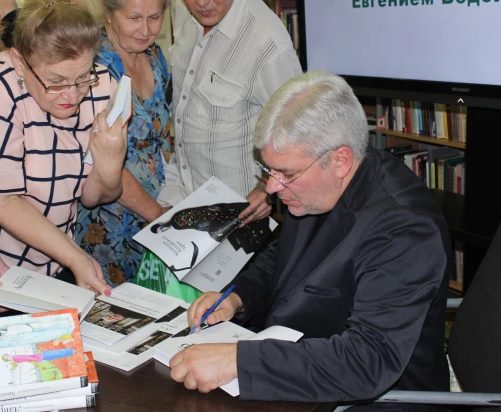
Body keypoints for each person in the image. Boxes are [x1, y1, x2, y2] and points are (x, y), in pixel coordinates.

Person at [170, 71, 452, 409]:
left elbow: (367, 360)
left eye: (286, 173)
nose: (271, 187)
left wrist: (238, 361)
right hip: (305, 361)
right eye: (269, 170)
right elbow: (283, 255)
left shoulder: (404, 229)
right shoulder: (323, 184)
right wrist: (239, 297)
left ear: (340, 160)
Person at [0, 0, 128, 295]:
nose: (72, 95)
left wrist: (110, 164)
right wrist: (75, 257)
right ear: (20, 63)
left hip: (57, 259)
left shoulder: (102, 86)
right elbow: (1, 200)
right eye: (56, 81)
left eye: (82, 77)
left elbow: (91, 197)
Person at [158, 0, 302, 226]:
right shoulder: (181, 11)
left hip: (237, 213)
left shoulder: (268, 42)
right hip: (184, 199)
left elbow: (297, 128)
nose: (202, 3)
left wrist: (267, 186)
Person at [75, 0, 174, 285]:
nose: (145, 30)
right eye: (134, 18)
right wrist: (157, 215)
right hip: (110, 219)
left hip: (158, 207)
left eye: (154, 17)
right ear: (108, 13)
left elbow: (161, 135)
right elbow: (102, 160)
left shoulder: (155, 56)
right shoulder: (93, 64)